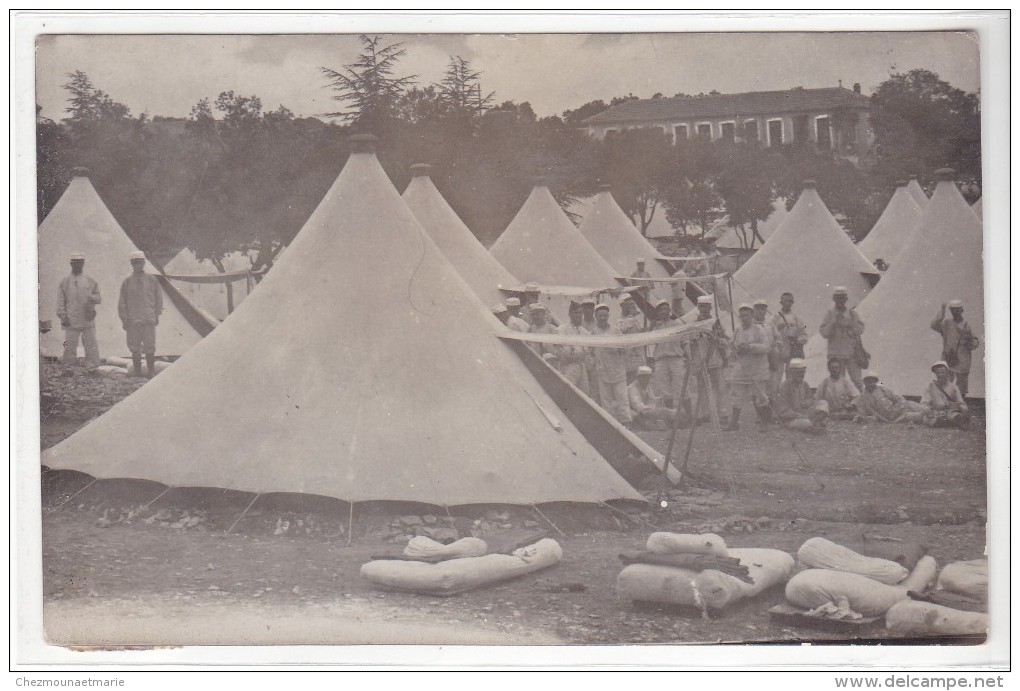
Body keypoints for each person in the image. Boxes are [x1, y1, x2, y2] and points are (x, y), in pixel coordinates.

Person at [726, 304, 771, 432]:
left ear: (752, 315)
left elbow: (766, 347)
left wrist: (750, 347)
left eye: (747, 315)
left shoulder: (759, 329)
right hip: (741, 367)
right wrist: (736, 350)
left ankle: (763, 422)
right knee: (737, 395)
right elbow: (732, 347)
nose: (744, 318)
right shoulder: (737, 331)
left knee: (760, 396)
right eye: (742, 316)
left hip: (757, 368)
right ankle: (734, 423)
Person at [118, 250, 162, 377]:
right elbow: (122, 303)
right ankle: (137, 372)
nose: (138, 265)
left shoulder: (152, 280)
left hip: (148, 320)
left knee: (150, 347)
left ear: (144, 262)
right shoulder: (127, 282)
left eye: (140, 262)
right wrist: (125, 320)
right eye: (135, 262)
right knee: (135, 347)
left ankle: (151, 371)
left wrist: (157, 315)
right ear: (132, 264)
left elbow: (158, 299)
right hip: (133, 321)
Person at [56, 251, 102, 370]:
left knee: (91, 344)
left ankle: (92, 367)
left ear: (83, 263)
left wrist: (92, 299)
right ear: (71, 264)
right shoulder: (64, 282)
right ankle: (68, 366)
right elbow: (60, 302)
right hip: (71, 319)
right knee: (68, 344)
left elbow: (98, 297)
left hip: (87, 318)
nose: (78, 265)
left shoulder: (90, 280)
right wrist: (63, 316)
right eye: (75, 263)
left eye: (80, 263)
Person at [689, 295, 729, 424]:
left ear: (711, 307)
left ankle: (723, 413)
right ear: (698, 307)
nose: (704, 309)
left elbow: (724, 338)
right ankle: (704, 413)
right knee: (702, 387)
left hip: (715, 357)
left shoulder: (715, 322)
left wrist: (717, 338)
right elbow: (690, 341)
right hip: (701, 359)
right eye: (701, 306)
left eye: (706, 306)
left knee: (720, 387)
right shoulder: (694, 323)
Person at [590, 303, 632, 424]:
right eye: (600, 316)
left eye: (605, 316)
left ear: (608, 316)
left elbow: (625, 348)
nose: (602, 318)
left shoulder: (616, 330)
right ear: (596, 317)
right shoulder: (593, 332)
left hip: (617, 370)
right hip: (602, 371)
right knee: (606, 400)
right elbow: (590, 351)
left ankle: (626, 422)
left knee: (622, 398)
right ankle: (610, 423)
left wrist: (618, 350)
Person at [930, 299, 980, 398]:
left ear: (962, 310)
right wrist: (942, 312)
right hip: (948, 357)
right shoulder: (947, 323)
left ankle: (960, 404)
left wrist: (970, 342)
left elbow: (975, 341)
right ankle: (946, 403)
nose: (955, 312)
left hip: (963, 358)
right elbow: (934, 325)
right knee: (945, 381)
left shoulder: (967, 325)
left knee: (962, 383)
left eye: (957, 310)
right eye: (952, 310)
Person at [819, 286, 866, 389]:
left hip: (852, 354)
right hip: (836, 355)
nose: (840, 300)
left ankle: (861, 402)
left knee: (858, 381)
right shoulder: (830, 314)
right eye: (838, 298)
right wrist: (833, 323)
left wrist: (851, 324)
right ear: (834, 299)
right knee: (839, 383)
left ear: (846, 299)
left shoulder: (852, 313)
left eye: (842, 298)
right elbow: (823, 333)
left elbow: (860, 330)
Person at [650, 299, 691, 416]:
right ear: (657, 312)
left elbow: (685, 342)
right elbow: (649, 341)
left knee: (682, 386)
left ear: (669, 310)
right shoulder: (656, 326)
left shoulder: (677, 324)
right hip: (661, 360)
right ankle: (672, 416)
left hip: (676, 358)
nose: (663, 312)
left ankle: (689, 416)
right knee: (665, 390)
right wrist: (651, 326)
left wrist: (689, 356)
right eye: (660, 310)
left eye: (665, 309)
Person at [773, 359, 828, 434]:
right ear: (791, 372)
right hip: (791, 419)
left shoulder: (804, 384)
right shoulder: (784, 387)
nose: (801, 375)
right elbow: (782, 411)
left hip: (805, 414)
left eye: (803, 372)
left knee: (823, 403)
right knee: (806, 422)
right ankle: (814, 426)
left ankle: (814, 425)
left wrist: (808, 402)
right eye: (798, 372)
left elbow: (812, 399)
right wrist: (800, 416)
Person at [853, 370, 926, 424]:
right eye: (868, 381)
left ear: (876, 382)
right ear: (864, 382)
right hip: (892, 419)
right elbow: (862, 413)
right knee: (919, 416)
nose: (871, 384)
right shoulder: (862, 398)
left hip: (902, 408)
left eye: (873, 381)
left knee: (924, 409)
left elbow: (899, 399)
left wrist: (896, 411)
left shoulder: (883, 389)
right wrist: (863, 418)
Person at [771, 292, 809, 387]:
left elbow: (804, 336)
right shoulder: (775, 317)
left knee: (791, 380)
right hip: (778, 354)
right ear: (781, 302)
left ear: (792, 302)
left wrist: (796, 339)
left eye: (790, 301)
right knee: (775, 379)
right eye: (785, 301)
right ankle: (775, 400)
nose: (788, 303)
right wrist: (777, 328)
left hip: (792, 353)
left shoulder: (797, 318)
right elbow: (767, 335)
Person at [920, 361, 970, 429]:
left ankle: (956, 420)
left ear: (947, 373)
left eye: (942, 372)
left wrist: (964, 408)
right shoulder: (931, 386)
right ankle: (944, 422)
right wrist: (927, 410)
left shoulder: (953, 387)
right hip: (935, 413)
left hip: (950, 412)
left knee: (955, 416)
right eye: (938, 372)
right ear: (935, 373)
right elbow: (924, 403)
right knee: (931, 419)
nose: (940, 375)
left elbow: (960, 402)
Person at [555, 303, 592, 395]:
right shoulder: (562, 330)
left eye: (580, 313)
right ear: (570, 314)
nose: (578, 315)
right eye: (575, 312)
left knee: (584, 395)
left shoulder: (585, 332)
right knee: (569, 392)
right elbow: (558, 349)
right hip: (568, 365)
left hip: (582, 365)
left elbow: (588, 351)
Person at [628, 365, 677, 430]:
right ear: (639, 377)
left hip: (646, 410)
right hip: (636, 412)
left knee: (669, 412)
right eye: (644, 377)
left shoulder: (647, 386)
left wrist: (652, 408)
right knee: (665, 412)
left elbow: (652, 400)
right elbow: (636, 404)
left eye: (648, 378)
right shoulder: (632, 388)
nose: (647, 380)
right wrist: (650, 411)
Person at [753, 299, 783, 395]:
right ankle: (761, 406)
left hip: (771, 359)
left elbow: (778, 337)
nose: (761, 311)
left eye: (763, 309)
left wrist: (777, 344)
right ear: (754, 310)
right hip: (758, 359)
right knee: (759, 386)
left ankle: (771, 402)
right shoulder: (750, 325)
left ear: (766, 311)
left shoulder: (770, 325)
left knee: (772, 383)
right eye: (758, 309)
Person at [617, 294, 648, 383]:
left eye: (632, 304)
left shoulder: (634, 319)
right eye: (629, 304)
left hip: (639, 355)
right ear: (623, 306)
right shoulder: (620, 321)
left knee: (642, 381)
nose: (632, 306)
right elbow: (621, 331)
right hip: (630, 358)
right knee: (632, 383)